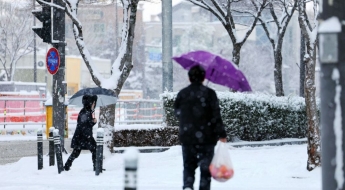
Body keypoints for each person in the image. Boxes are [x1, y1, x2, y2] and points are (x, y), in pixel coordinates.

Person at [174, 65, 227, 190]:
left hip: (188, 137)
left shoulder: (183, 93)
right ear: (204, 78)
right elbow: (216, 116)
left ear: (189, 78)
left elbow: (177, 113)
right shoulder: (210, 94)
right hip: (207, 139)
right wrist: (222, 134)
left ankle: (187, 186)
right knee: (206, 169)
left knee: (188, 166)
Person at [64, 94, 98, 171]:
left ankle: (66, 166)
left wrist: (92, 121)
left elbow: (85, 124)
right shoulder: (86, 112)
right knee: (94, 150)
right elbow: (84, 125)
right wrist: (89, 136)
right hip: (84, 137)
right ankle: (96, 167)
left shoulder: (86, 111)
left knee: (76, 153)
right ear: (90, 103)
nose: (94, 104)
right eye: (93, 103)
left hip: (81, 137)